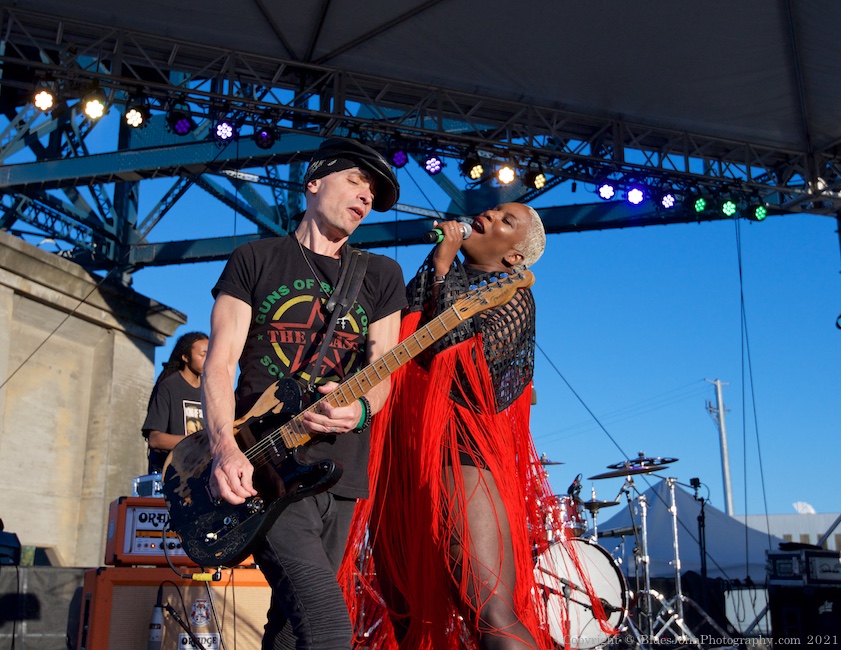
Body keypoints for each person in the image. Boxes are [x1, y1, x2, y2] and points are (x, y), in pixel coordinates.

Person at [341, 203, 612, 649]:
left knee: (488, 608)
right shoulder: (435, 277)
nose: (490, 215)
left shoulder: (513, 294)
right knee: (404, 609)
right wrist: (439, 266)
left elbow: (466, 363)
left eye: (508, 221)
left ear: (514, 257)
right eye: (495, 209)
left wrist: (445, 263)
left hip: (460, 450)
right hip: (402, 456)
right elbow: (395, 338)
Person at [203, 137, 406, 649]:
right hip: (268, 467)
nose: (365, 197)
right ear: (313, 182)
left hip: (340, 474)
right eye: (356, 181)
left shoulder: (382, 274)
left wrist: (359, 409)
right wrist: (225, 449)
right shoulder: (255, 258)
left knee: (292, 628)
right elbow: (220, 362)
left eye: (374, 193)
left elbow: (381, 373)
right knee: (329, 625)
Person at [142, 331, 208, 475]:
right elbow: (155, 439)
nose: (208, 359)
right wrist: (195, 442)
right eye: (202, 355)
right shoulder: (168, 387)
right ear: (185, 357)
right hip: (172, 476)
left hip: (202, 473)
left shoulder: (209, 388)